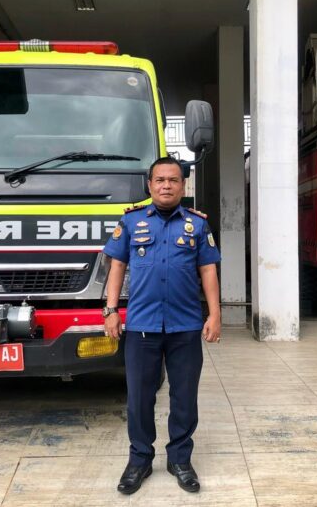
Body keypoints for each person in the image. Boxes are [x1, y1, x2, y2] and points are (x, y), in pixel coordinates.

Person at [102, 155, 221, 495]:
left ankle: (179, 459)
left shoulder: (197, 225)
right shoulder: (131, 222)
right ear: (150, 185)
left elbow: (208, 270)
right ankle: (139, 460)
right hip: (142, 325)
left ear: (183, 186)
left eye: (173, 180)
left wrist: (215, 314)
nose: (166, 185)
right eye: (160, 180)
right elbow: (116, 266)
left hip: (185, 326)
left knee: (184, 396)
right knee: (140, 398)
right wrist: (111, 310)